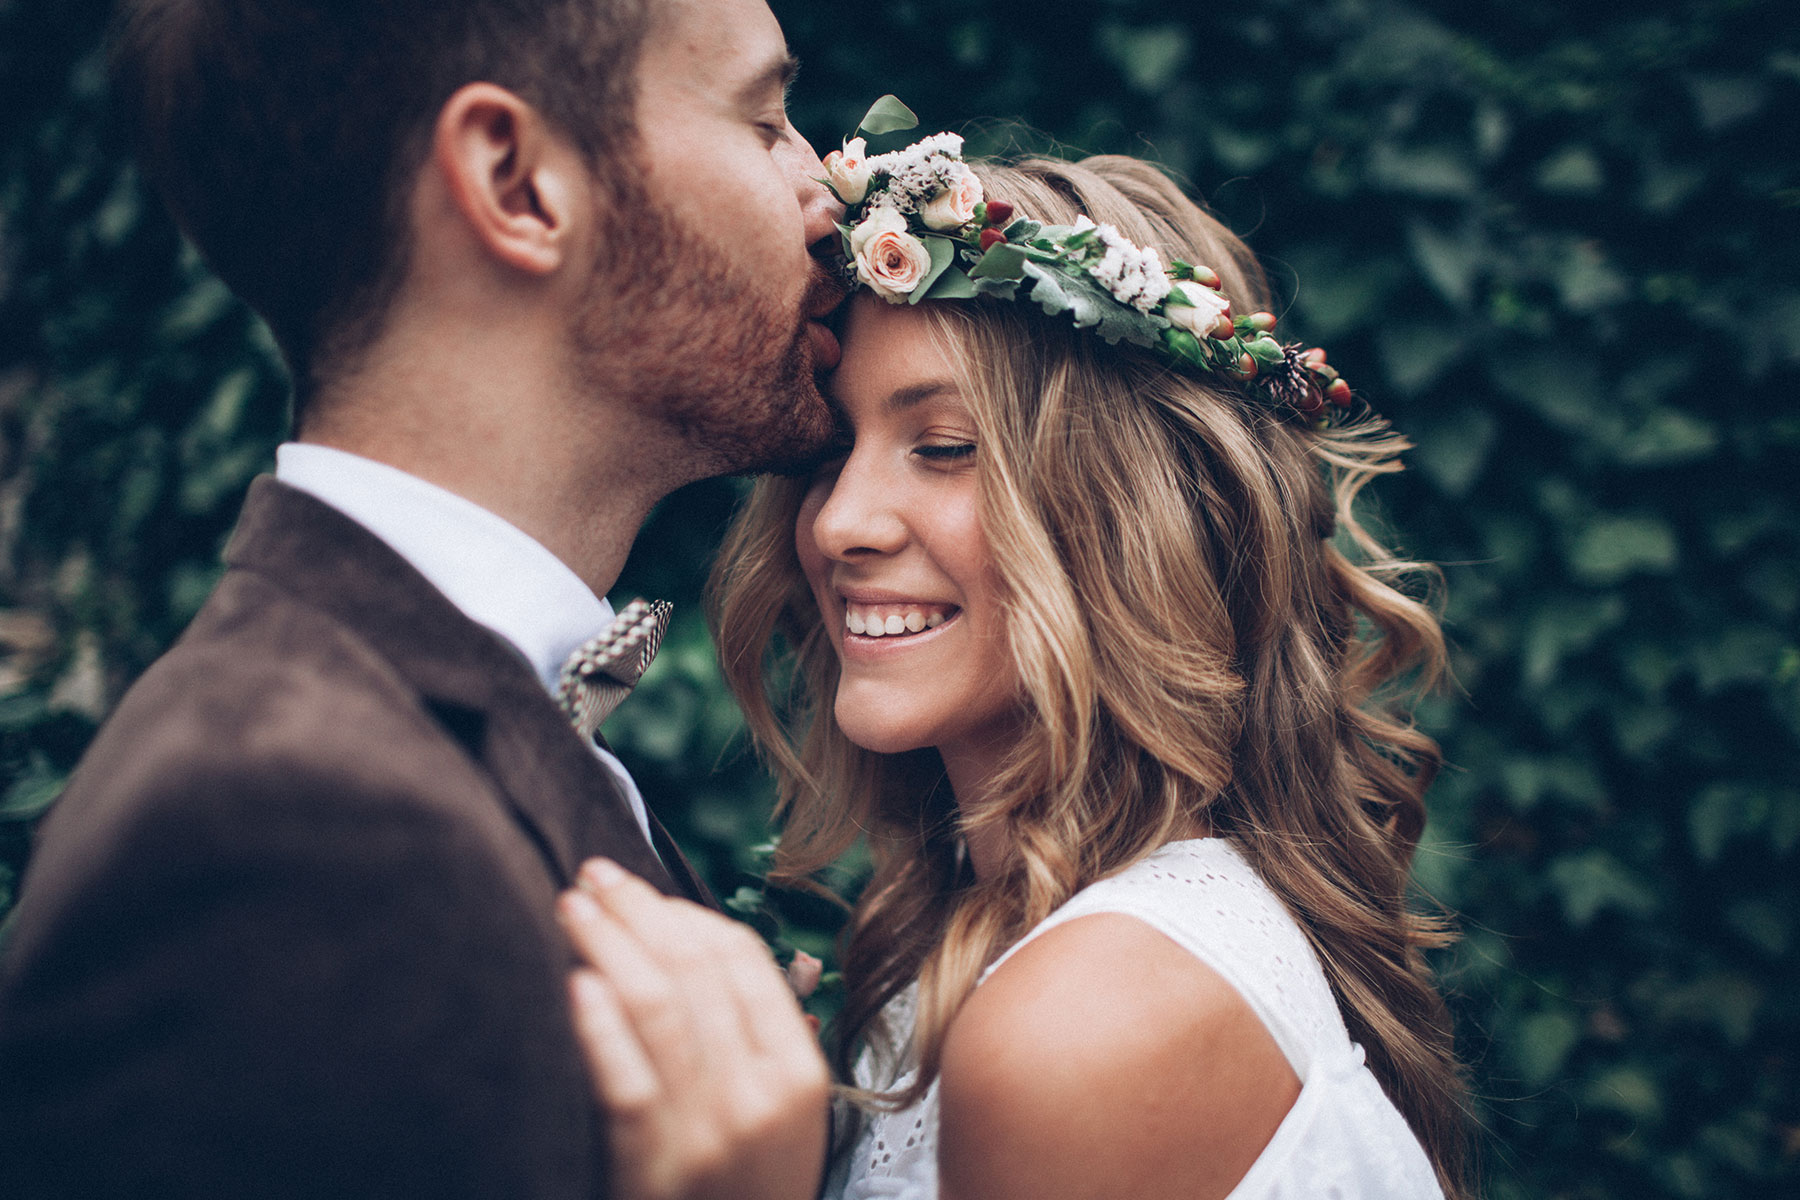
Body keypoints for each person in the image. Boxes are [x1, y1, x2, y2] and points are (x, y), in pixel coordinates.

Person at [0, 0, 839, 1196]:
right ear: (517, 182)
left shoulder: (425, 720)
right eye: (765, 122)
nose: (828, 190)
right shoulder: (281, 827)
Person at [557, 137, 1471, 1199]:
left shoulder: (1086, 1021)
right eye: (824, 456)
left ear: (1137, 515)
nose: (840, 522)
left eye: (943, 447)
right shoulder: (996, 941)